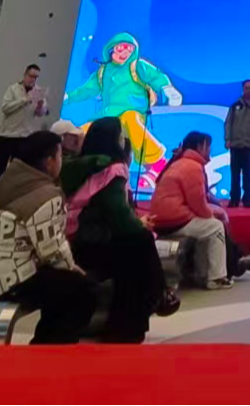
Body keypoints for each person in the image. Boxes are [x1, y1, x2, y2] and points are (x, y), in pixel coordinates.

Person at [60, 117, 179, 343]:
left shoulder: (77, 166)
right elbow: (118, 215)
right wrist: (139, 224)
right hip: (91, 242)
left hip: (72, 238)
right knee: (139, 244)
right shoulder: (111, 170)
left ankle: (156, 296)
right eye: (122, 136)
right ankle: (147, 306)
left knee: (137, 243)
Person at [0, 130, 96, 345]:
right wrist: (72, 267)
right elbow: (51, 248)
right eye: (60, 155)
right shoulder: (46, 195)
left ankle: (46, 344)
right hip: (11, 279)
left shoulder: (11, 184)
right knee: (81, 290)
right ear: (49, 161)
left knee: (63, 285)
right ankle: (49, 350)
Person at [64, 33, 179, 174]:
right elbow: (86, 90)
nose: (125, 53)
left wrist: (168, 89)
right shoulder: (103, 72)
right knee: (81, 132)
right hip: (107, 115)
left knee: (130, 120)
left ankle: (157, 165)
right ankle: (74, 166)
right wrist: (68, 97)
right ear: (112, 48)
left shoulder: (137, 66)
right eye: (121, 48)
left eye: (129, 49)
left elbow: (156, 76)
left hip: (132, 111)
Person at [148, 133, 231, 289]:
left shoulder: (179, 164)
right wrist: (217, 213)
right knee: (215, 226)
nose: (210, 151)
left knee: (207, 226)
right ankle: (217, 278)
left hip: (164, 220)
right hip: (174, 221)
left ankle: (202, 274)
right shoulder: (192, 167)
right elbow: (199, 205)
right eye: (208, 147)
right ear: (200, 147)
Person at [0, 65, 49, 193]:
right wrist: (25, 100)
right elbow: (5, 108)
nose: (33, 80)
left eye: (36, 77)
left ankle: (12, 195)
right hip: (7, 135)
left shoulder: (38, 92)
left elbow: (41, 114)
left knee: (19, 171)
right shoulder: (13, 89)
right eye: (31, 76)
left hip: (25, 136)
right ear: (25, 75)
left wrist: (40, 106)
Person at [223, 80, 250, 209]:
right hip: (235, 144)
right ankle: (234, 199)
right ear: (243, 89)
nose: (248, 90)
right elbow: (228, 123)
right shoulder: (235, 105)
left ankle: (247, 198)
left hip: (249, 144)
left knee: (247, 173)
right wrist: (227, 139)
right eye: (246, 88)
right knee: (234, 173)